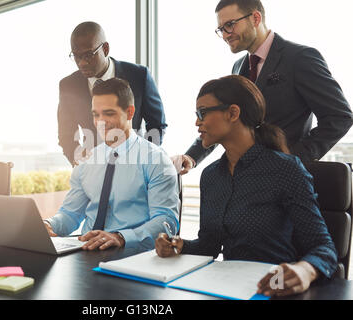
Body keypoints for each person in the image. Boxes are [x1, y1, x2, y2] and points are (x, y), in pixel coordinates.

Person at [156, 75, 337, 297]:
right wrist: (179, 246)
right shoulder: (211, 176)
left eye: (202, 113)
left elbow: (324, 248)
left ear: (233, 113)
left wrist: (305, 270)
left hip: (277, 288)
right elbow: (209, 247)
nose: (197, 122)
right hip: (230, 288)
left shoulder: (285, 169)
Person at [174, 0, 352, 174]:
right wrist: (192, 156)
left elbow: (339, 117)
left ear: (256, 18)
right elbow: (227, 122)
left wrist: (293, 159)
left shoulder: (300, 58)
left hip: (285, 181)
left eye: (230, 24)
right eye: (221, 29)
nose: (226, 34)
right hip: (246, 176)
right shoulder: (238, 68)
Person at [45, 78, 179, 251]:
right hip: (85, 250)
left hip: (132, 254)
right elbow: (71, 214)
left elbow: (166, 222)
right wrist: (49, 224)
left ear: (130, 112)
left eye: (109, 113)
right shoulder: (87, 160)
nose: (101, 122)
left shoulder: (155, 160)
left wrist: (122, 237)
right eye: (96, 114)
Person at [58, 21, 167, 166]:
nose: (82, 63)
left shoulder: (139, 76)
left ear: (105, 48)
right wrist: (78, 158)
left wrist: (144, 158)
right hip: (92, 168)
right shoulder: (68, 86)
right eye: (76, 56)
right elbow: (66, 133)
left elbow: (157, 124)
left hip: (135, 166)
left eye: (88, 55)